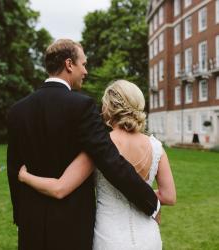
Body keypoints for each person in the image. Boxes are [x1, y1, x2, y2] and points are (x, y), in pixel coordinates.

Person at [7, 39, 159, 250]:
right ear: (69, 64)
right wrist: (151, 202)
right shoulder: (82, 106)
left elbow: (14, 168)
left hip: (30, 224)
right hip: (72, 227)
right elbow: (110, 160)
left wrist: (21, 217)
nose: (85, 71)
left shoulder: (17, 110)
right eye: (83, 64)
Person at [18, 80, 176, 250]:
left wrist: (24, 176)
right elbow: (169, 197)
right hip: (148, 238)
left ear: (109, 107)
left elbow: (59, 188)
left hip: (110, 239)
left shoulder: (100, 146)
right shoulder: (156, 147)